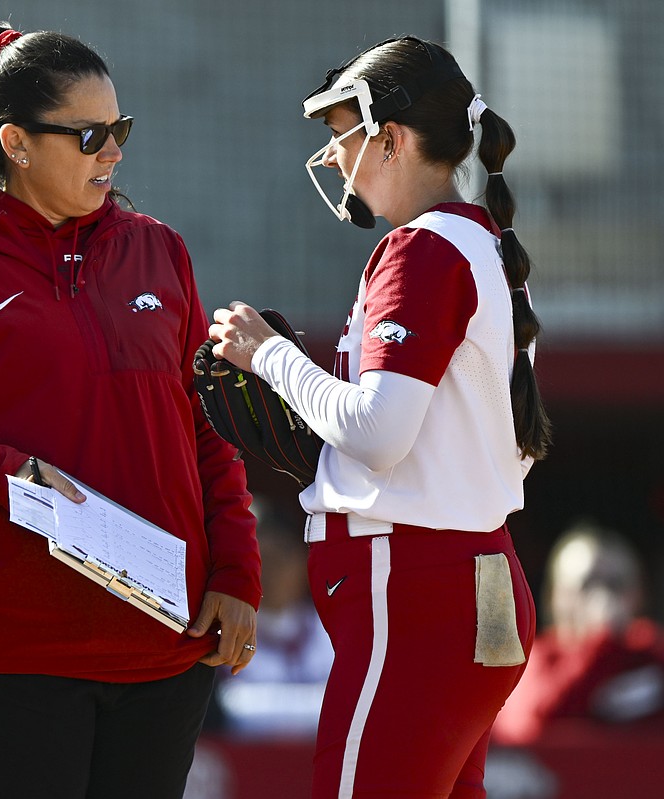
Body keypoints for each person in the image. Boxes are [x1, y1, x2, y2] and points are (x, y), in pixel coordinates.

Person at [0, 23, 261, 799]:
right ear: (14, 141)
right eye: (89, 135)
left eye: (120, 129)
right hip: (9, 657)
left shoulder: (161, 250)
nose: (113, 151)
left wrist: (237, 569)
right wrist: (6, 475)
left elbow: (205, 425)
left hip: (164, 656)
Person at [208, 36, 551, 798]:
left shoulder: (423, 250)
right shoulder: (487, 246)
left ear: (390, 138)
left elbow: (377, 432)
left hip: (414, 588)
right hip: (478, 582)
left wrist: (268, 356)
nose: (331, 159)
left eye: (341, 136)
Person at [493, 521, 664, 744]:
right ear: (554, 596)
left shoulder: (651, 653)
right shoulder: (530, 662)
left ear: (639, 594)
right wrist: (600, 642)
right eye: (587, 584)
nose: (602, 598)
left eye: (615, 584)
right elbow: (527, 730)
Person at [212, 499, 334, 738]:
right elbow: (220, 711)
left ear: (303, 561)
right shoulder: (221, 629)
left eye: (281, 559)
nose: (271, 573)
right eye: (261, 561)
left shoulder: (331, 629)